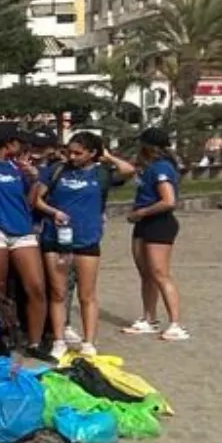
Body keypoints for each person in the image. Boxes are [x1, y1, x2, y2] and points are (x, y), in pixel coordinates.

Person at [35, 132, 129, 358]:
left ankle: (89, 342)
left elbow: (129, 171)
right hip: (56, 239)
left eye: (78, 153)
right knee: (58, 293)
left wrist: (108, 157)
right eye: (70, 152)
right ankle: (59, 340)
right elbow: (36, 199)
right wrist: (54, 212)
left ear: (92, 153)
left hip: (87, 239)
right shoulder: (57, 170)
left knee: (87, 294)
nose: (72, 157)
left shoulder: (101, 173)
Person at [0, 125, 50, 355]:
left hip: (22, 229)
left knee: (36, 287)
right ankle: (0, 338)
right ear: (8, 143)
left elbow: (30, 202)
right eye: (19, 141)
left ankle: (34, 343)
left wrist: (34, 179)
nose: (23, 146)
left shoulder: (20, 167)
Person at [122, 128, 189, 341]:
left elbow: (168, 201)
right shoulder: (147, 168)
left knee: (160, 273)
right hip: (143, 223)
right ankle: (149, 318)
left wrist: (141, 212)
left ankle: (176, 323)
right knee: (146, 273)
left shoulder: (162, 168)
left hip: (159, 223)